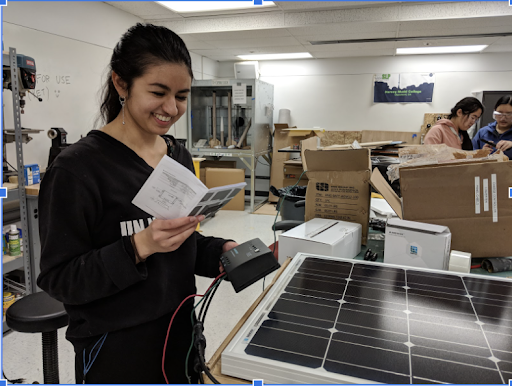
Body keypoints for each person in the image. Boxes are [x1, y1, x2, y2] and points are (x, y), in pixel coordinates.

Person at [37, 23, 237, 384]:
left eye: (181, 95)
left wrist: (221, 251)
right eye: (158, 92)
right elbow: (59, 279)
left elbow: (179, 242)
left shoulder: (177, 155)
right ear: (121, 84)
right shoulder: (77, 169)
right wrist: (138, 246)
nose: (171, 108)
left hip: (180, 330)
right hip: (116, 345)